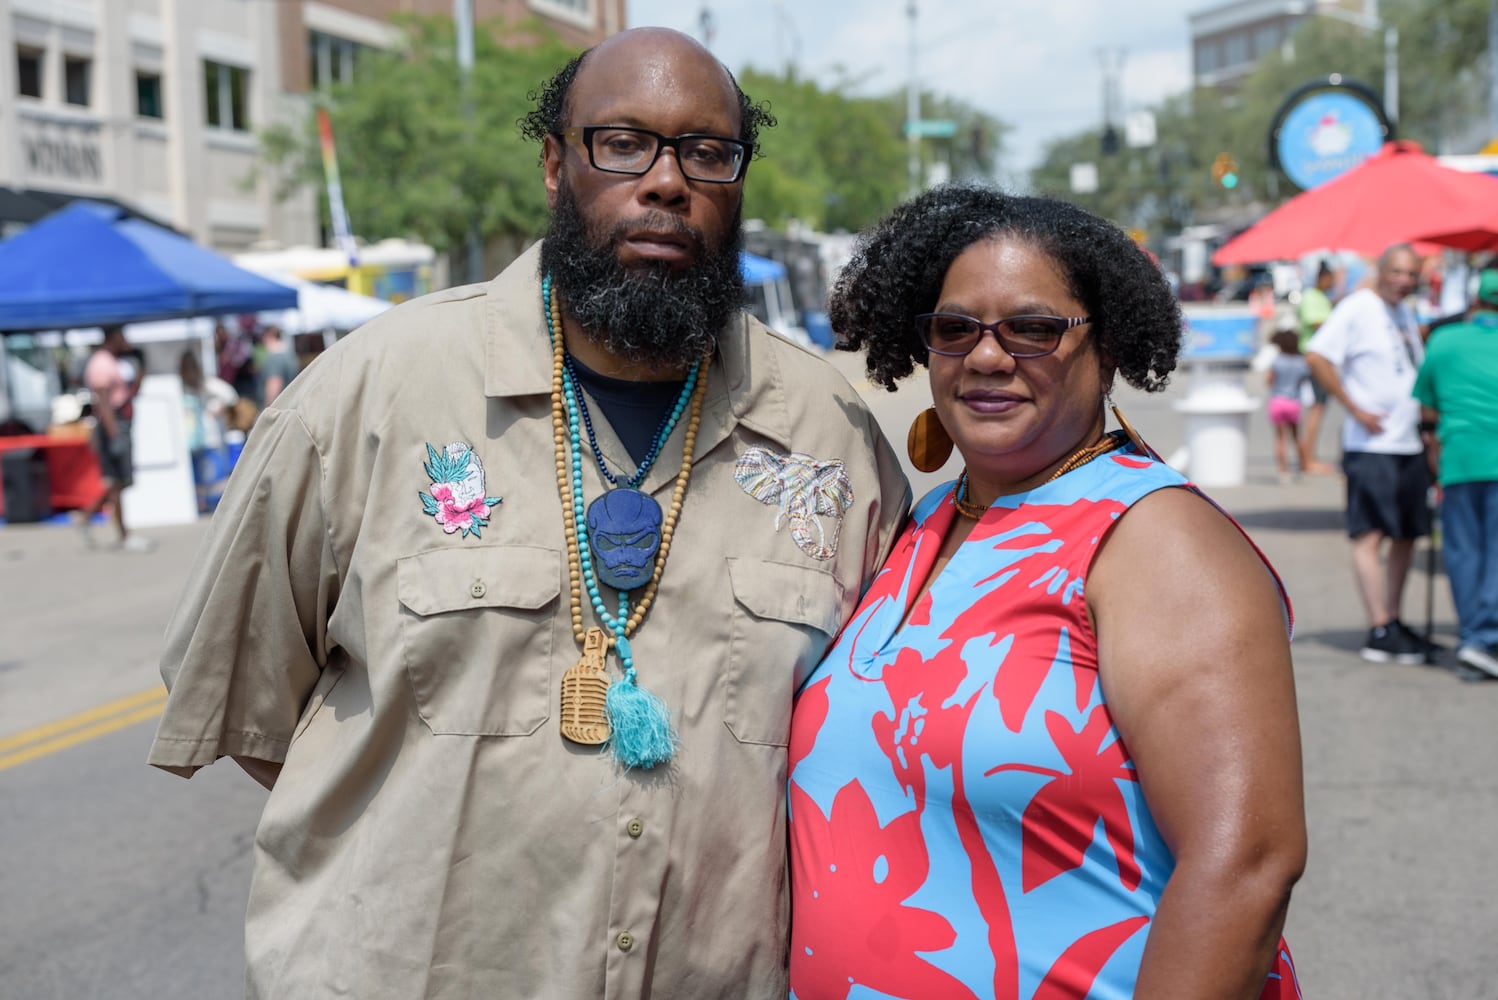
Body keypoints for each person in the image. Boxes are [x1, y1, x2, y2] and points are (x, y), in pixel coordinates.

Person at [146, 27, 909, 998]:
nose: (667, 181)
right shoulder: (370, 398)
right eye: (622, 143)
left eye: (706, 153)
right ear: (555, 165)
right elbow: (256, 713)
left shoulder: (829, 437)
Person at [787, 185, 1305, 999]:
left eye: (1034, 329)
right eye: (956, 329)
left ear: (1107, 345)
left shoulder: (1155, 540)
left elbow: (1245, 866)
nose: (989, 357)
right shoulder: (923, 523)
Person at [1306, 244, 1440, 665]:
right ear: (1381, 271)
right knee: (1371, 534)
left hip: (1408, 443)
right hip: (1372, 445)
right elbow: (1318, 355)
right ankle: (1378, 626)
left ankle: (1394, 621)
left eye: (1411, 273)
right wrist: (1354, 406)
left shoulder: (1404, 311)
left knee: (1405, 533)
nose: (1404, 279)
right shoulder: (1358, 306)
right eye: (1397, 271)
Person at [1412, 269, 1498, 678]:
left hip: (1459, 460)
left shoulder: (1444, 341)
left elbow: (1426, 404)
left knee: (1464, 552)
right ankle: (1484, 639)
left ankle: (1473, 637)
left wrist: (1432, 444)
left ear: (1476, 301)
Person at [78, 325, 152, 552]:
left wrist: (140, 361)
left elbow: (132, 392)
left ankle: (87, 517)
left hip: (121, 423)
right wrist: (113, 434)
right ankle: (123, 534)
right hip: (113, 425)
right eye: (121, 337)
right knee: (116, 482)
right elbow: (103, 403)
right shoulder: (101, 363)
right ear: (113, 337)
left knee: (120, 481)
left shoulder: (116, 361)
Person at [178, 349, 239, 514]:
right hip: (199, 438)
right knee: (212, 474)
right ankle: (214, 505)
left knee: (206, 475)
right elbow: (230, 395)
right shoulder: (199, 384)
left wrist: (216, 407)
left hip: (199, 438)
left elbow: (230, 396)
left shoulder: (202, 384)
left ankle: (207, 505)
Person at [1296, 260, 1337, 474]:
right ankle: (1307, 458)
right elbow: (1317, 324)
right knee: (1316, 409)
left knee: (1317, 409)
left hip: (1317, 358)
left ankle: (1308, 456)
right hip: (1314, 359)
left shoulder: (1320, 297)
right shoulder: (1312, 297)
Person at [1266, 326, 1313, 483]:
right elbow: (1304, 379)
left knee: (1280, 439)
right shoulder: (1300, 362)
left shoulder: (1277, 361)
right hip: (1294, 402)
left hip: (1278, 400)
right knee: (1296, 437)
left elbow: (1269, 380)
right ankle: (1301, 466)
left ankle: (1283, 471)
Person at [256, 324, 298, 407]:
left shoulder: (274, 359)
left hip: (278, 409)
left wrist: (267, 410)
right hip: (289, 407)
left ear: (268, 336)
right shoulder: (290, 355)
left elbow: (274, 385)